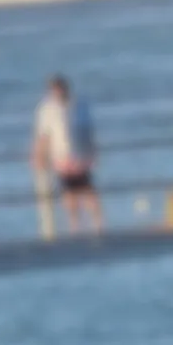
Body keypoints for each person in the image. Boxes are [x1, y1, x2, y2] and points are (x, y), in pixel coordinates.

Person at [30, 75, 103, 234]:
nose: (58, 93)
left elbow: (88, 131)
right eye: (55, 90)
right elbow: (43, 136)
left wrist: (92, 151)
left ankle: (99, 227)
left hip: (80, 156)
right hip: (61, 158)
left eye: (60, 89)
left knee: (89, 193)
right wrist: (39, 156)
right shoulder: (47, 110)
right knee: (70, 196)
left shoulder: (79, 105)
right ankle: (75, 228)